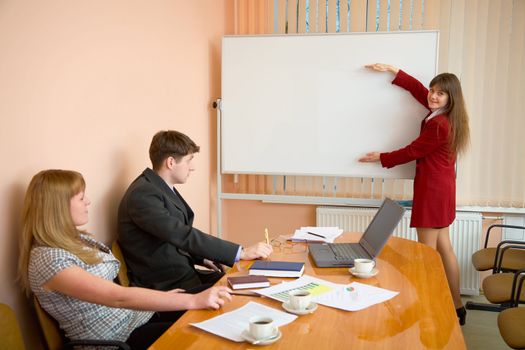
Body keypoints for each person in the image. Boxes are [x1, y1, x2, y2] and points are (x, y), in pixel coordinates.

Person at [18, 170, 233, 349]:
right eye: (81, 198)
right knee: (202, 329)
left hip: (133, 318)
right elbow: (118, 297)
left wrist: (166, 298)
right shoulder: (49, 260)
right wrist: (192, 300)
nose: (89, 201)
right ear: (58, 207)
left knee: (220, 296)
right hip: (114, 340)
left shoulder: (77, 239)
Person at [359, 63, 470, 325]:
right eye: (433, 90)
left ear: (450, 97)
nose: (432, 96)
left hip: (432, 192)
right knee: (445, 249)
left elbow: (413, 151)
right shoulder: (446, 114)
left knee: (426, 255)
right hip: (442, 189)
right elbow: (420, 92)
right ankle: (457, 307)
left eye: (440, 93)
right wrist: (394, 71)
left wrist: (382, 157)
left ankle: (429, 304)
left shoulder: (440, 125)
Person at [118, 130, 273, 292]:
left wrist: (204, 257)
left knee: (255, 281)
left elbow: (170, 236)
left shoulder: (157, 187)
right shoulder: (143, 194)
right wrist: (240, 252)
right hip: (167, 288)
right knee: (244, 291)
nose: (193, 167)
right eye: (189, 160)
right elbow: (180, 234)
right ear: (171, 162)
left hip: (184, 274)